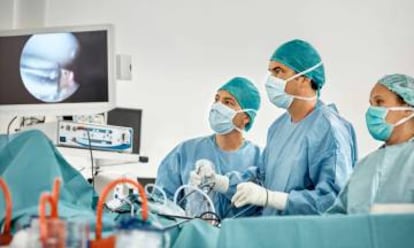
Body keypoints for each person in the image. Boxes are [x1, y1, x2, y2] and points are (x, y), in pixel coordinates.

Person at [194, 39, 358, 215]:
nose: (270, 80)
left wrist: (271, 199)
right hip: (273, 233)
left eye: (278, 71)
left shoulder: (329, 128)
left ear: (304, 78)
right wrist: (221, 182)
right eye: (270, 72)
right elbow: (262, 179)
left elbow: (333, 200)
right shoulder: (277, 128)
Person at [155, 77, 261, 218]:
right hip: (194, 236)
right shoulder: (186, 151)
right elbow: (161, 202)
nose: (217, 106)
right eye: (216, 99)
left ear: (246, 117)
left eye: (228, 102)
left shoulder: (259, 158)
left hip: (240, 238)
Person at [327, 74, 414, 214]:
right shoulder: (366, 165)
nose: (371, 111)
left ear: (407, 108)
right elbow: (337, 216)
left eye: (379, 102)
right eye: (371, 104)